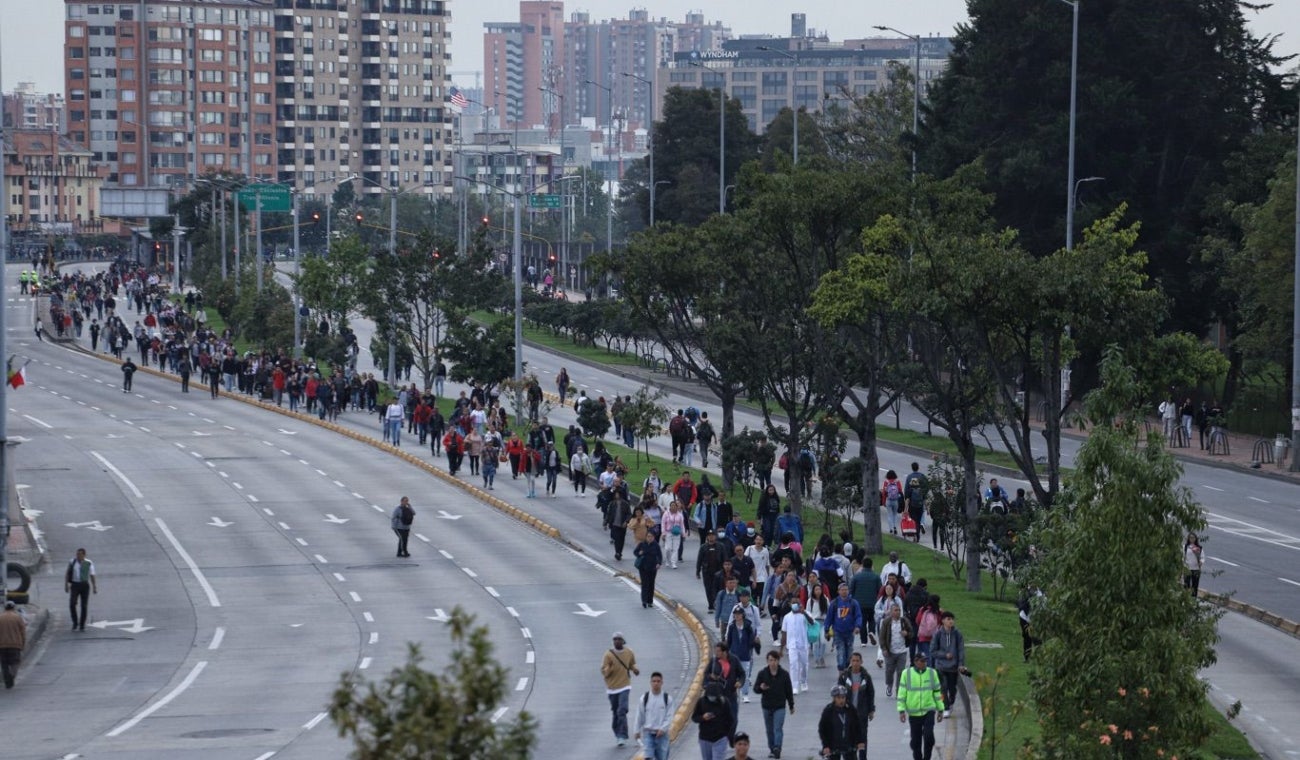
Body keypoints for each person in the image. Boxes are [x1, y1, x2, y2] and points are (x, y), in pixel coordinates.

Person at [897, 652, 945, 760]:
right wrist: (901, 711)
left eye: (925, 661)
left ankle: (927, 757)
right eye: (922, 661)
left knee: (928, 736)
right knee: (916, 742)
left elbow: (937, 693)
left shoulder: (932, 673)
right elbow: (901, 693)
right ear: (915, 662)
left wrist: (941, 709)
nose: (924, 663)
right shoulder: (906, 674)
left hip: (929, 710)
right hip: (914, 713)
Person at [753, 649, 795, 759]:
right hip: (766, 706)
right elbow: (755, 689)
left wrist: (791, 705)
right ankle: (772, 748)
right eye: (770, 660)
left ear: (778, 661)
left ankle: (777, 748)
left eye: (775, 660)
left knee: (778, 728)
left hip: (779, 706)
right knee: (769, 729)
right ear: (767, 661)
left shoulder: (784, 675)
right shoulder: (762, 674)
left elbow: (788, 691)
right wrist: (761, 688)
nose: (773, 663)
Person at [600, 632, 640, 747]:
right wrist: (609, 668)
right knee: (615, 712)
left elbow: (631, 664)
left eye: (619, 639)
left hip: (625, 686)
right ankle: (617, 733)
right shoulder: (608, 655)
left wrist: (635, 670)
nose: (617, 641)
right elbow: (604, 672)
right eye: (615, 639)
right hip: (612, 688)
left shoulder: (629, 652)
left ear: (623, 641)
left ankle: (622, 736)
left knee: (622, 710)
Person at [837, 652, 876, 757]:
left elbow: (871, 693)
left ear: (861, 662)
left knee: (862, 740)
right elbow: (838, 695)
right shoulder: (844, 677)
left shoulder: (866, 677)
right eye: (853, 661)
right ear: (850, 662)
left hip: (861, 715)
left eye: (857, 661)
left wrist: (871, 710)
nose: (855, 663)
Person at [928, 612, 966, 717]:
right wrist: (945, 655)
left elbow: (961, 650)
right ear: (943, 621)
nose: (951, 621)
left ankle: (951, 701)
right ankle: (946, 707)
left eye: (952, 619)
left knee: (952, 689)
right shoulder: (938, 634)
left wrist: (961, 664)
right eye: (948, 619)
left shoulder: (957, 634)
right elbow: (932, 651)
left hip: (953, 668)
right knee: (943, 688)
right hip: (941, 666)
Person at [723, 605, 760, 705]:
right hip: (734, 655)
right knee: (732, 676)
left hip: (745, 654)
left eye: (739, 615)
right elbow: (729, 641)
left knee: (745, 675)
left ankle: (745, 694)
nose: (737, 616)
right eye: (735, 615)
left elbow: (751, 640)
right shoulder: (731, 627)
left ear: (742, 615)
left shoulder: (748, 627)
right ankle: (734, 693)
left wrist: (750, 648)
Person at [819, 684, 866, 760]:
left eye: (843, 697)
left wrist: (860, 741)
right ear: (834, 698)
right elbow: (822, 729)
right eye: (838, 698)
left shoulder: (850, 709)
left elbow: (858, 726)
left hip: (849, 744)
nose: (841, 700)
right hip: (833, 745)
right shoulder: (828, 711)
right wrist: (826, 746)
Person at [692, 680, 735, 760]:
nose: (712, 698)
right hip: (705, 738)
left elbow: (731, 720)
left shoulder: (724, 702)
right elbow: (694, 717)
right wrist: (703, 718)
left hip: (720, 738)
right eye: (710, 695)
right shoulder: (701, 702)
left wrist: (725, 734)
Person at [876, 604, 913, 698]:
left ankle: (899, 691)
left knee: (901, 672)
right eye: (896, 610)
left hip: (902, 651)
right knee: (889, 671)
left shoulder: (904, 621)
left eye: (899, 610)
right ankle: (889, 685)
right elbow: (882, 637)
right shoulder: (886, 622)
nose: (898, 612)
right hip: (890, 652)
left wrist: (907, 633)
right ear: (891, 612)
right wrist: (884, 648)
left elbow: (912, 633)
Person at [825, 582, 864, 671]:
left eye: (846, 590)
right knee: (840, 651)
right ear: (838, 591)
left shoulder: (853, 603)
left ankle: (847, 667)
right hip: (838, 632)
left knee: (849, 652)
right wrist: (826, 629)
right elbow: (829, 617)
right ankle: (841, 669)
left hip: (850, 632)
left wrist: (858, 626)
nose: (844, 592)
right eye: (842, 590)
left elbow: (858, 616)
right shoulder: (834, 603)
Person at [634, 671, 673, 760]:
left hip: (662, 735)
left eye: (658, 681)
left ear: (662, 683)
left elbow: (669, 716)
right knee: (648, 757)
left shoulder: (667, 699)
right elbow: (640, 715)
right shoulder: (644, 698)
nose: (656, 683)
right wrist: (636, 730)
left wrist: (663, 729)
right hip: (648, 733)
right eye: (654, 681)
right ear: (650, 683)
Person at [780, 601, 812, 693]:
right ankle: (794, 686)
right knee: (793, 664)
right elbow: (784, 633)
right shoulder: (787, 617)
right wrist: (781, 649)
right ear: (790, 605)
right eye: (793, 603)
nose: (794, 605)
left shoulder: (804, 614)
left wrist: (804, 612)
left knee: (804, 664)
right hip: (792, 645)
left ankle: (804, 681)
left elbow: (812, 622)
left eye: (796, 603)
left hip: (803, 644)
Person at [850, 558, 882, 645]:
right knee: (872, 619)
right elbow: (880, 590)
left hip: (859, 603)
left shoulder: (856, 576)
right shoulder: (876, 577)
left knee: (862, 621)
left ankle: (863, 641)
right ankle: (871, 631)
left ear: (862, 565)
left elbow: (851, 590)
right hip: (873, 602)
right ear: (871, 565)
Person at [65, 548, 97, 631]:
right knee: (72, 604)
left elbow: (92, 575)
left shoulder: (88, 563)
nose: (78, 556)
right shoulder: (72, 562)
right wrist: (66, 584)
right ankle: (75, 622)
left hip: (84, 585)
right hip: (75, 585)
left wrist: (94, 587)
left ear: (84, 555)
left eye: (80, 554)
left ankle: (82, 624)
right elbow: (68, 573)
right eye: (77, 554)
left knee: (84, 605)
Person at [633, 530, 663, 608]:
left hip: (653, 567)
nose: (649, 538)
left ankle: (650, 601)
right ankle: (644, 601)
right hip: (643, 567)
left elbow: (659, 555)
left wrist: (659, 563)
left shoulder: (656, 545)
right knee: (645, 584)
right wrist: (639, 554)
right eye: (648, 536)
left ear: (654, 537)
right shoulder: (642, 544)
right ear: (646, 537)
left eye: (651, 537)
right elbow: (635, 552)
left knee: (651, 584)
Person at [0, 600, 26, 689]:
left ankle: (7, 680)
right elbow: (23, 632)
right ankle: (11, 676)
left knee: (4, 664)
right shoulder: (17, 618)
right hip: (15, 645)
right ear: (13, 607)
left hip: (2, 645)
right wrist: (23, 643)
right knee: (15, 663)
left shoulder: (0, 617)